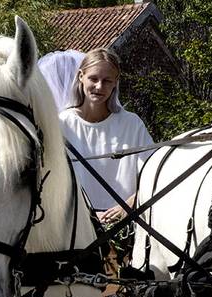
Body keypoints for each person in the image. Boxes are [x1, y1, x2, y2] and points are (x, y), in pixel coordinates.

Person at [59, 49, 155, 225]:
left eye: (107, 81)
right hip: (77, 226)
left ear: (115, 83)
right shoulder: (61, 124)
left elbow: (154, 173)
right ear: (81, 76)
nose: (99, 86)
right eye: (93, 79)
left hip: (129, 224)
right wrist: (88, 213)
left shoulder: (131, 124)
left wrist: (129, 204)